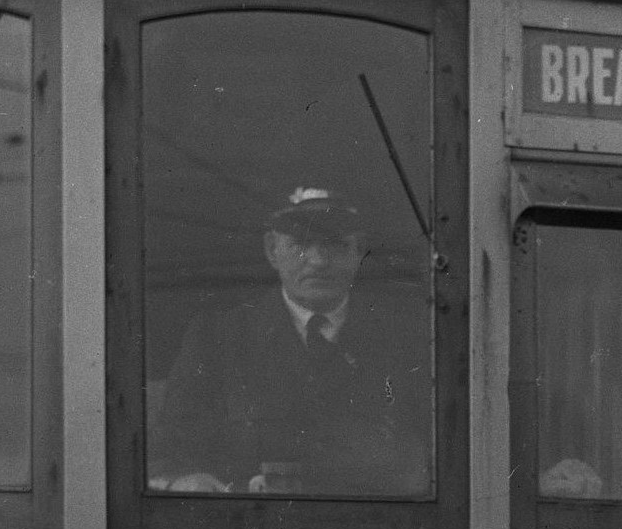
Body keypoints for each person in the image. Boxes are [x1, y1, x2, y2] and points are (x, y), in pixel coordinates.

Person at [151, 187, 425, 496]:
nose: (318, 261)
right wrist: (184, 480)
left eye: (335, 245)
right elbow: (167, 454)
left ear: (359, 250)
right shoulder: (218, 339)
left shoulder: (408, 337)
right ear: (271, 250)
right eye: (301, 244)